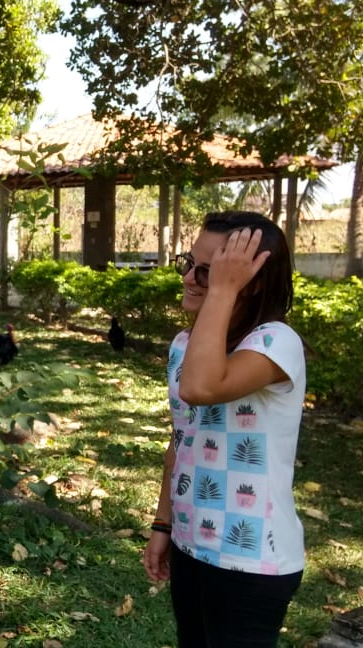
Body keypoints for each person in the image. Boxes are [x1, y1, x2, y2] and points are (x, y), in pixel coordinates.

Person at [143, 211, 306, 647]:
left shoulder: (276, 343)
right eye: (189, 264)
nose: (189, 279)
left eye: (208, 271)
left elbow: (200, 388)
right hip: (191, 545)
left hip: (252, 561)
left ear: (249, 281)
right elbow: (182, 439)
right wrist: (163, 525)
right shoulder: (185, 345)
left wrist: (221, 290)